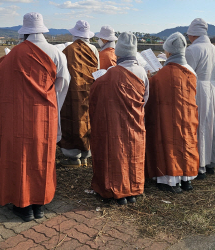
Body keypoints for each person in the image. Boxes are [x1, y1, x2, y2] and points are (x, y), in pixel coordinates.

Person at [0, 12, 70, 222]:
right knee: (42, 156)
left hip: (16, 116)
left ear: (24, 31)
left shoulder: (12, 54)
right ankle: (39, 203)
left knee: (18, 158)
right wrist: (52, 103)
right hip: (44, 114)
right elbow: (63, 84)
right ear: (42, 29)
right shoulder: (56, 53)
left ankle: (23, 205)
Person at [89, 32, 148, 206]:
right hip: (135, 122)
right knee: (134, 154)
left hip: (114, 123)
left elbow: (95, 94)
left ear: (118, 52)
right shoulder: (142, 72)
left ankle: (117, 192)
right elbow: (145, 98)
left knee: (116, 155)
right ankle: (133, 190)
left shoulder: (111, 73)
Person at [145, 32, 199, 193]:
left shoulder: (163, 74)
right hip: (188, 115)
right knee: (187, 141)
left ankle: (169, 180)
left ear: (169, 52)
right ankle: (186, 180)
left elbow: (153, 93)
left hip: (168, 117)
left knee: (168, 142)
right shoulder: (190, 70)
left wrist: (149, 79)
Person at [186, 18, 215, 179]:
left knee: (198, 125)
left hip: (197, 89)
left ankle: (199, 164)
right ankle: (211, 161)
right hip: (212, 88)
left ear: (192, 34)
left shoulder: (192, 50)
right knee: (211, 125)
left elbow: (187, 74)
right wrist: (213, 85)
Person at [60, 20, 99, 167]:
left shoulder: (68, 50)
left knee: (71, 120)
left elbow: (63, 73)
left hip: (71, 92)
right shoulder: (94, 49)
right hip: (89, 90)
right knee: (87, 120)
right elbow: (97, 70)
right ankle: (86, 155)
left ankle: (73, 157)